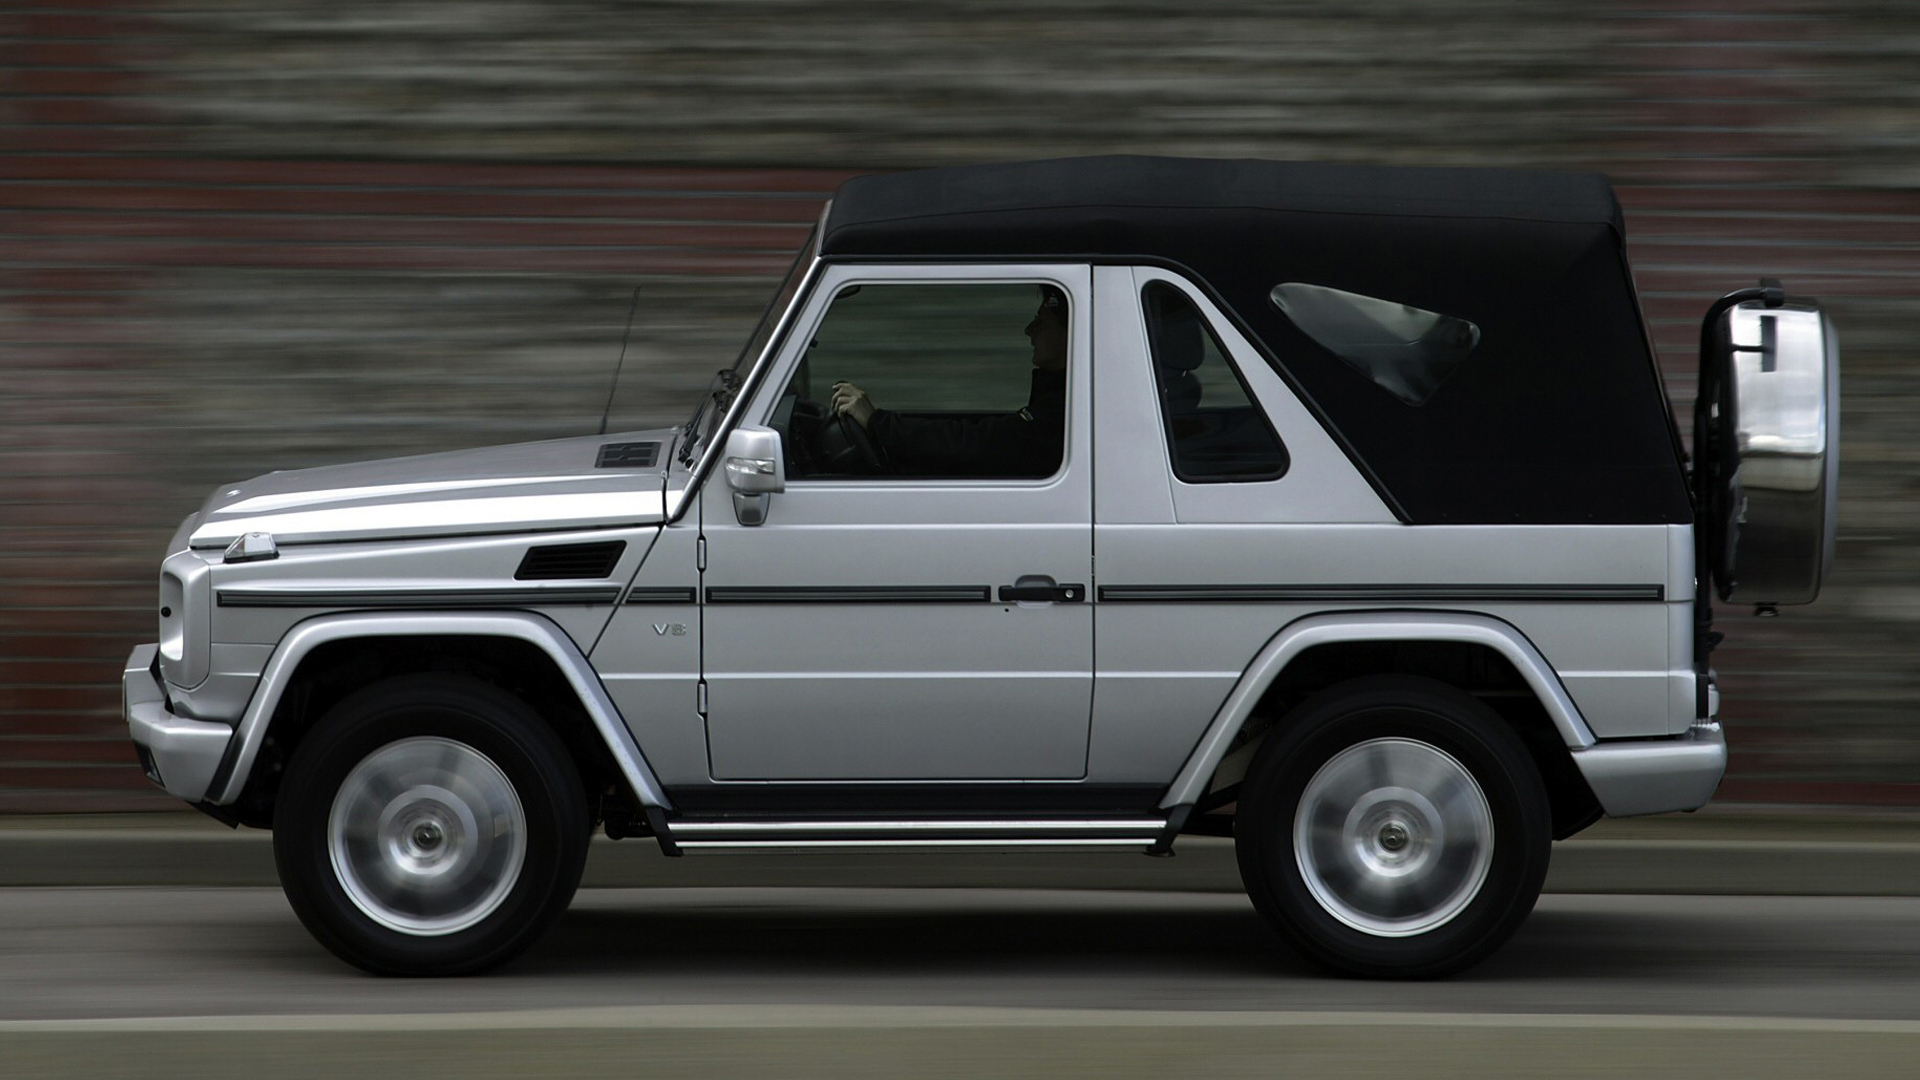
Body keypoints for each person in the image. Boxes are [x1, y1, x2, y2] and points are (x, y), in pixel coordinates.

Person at [828, 285, 1067, 478]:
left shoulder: (1061, 410)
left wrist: (877, 422)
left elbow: (979, 444)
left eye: (1041, 321)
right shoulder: (1059, 398)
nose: (1029, 330)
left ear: (1070, 332)